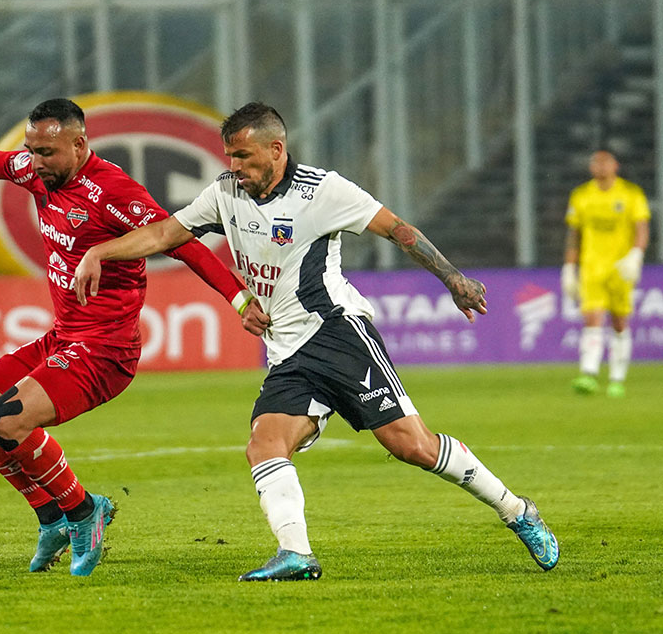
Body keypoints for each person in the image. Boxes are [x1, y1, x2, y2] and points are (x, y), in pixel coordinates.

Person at [73, 102, 559, 581]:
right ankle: (295, 554)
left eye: (242, 157)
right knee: (264, 444)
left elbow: (399, 230)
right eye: (229, 157)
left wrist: (453, 278)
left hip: (337, 333)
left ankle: (518, 511)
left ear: (276, 149)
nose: (234, 168)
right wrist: (102, 250)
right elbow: (164, 234)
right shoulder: (225, 193)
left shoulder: (323, 191)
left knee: (412, 446)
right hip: (286, 350)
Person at [0, 99, 250, 576]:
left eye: (47, 152)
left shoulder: (114, 192)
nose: (36, 162)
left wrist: (239, 299)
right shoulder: (37, 172)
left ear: (79, 144)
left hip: (105, 351)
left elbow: (182, 244)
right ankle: (50, 517)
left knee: (9, 423)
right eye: (31, 150)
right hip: (62, 338)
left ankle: (84, 512)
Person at [561, 150, 651, 397]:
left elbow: (641, 228)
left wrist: (636, 255)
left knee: (620, 323)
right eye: (595, 162)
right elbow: (573, 236)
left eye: (604, 162)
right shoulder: (581, 196)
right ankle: (588, 373)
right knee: (592, 319)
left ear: (615, 165)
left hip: (621, 269)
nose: (600, 166)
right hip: (592, 268)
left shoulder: (630, 194)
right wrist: (569, 267)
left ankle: (617, 378)